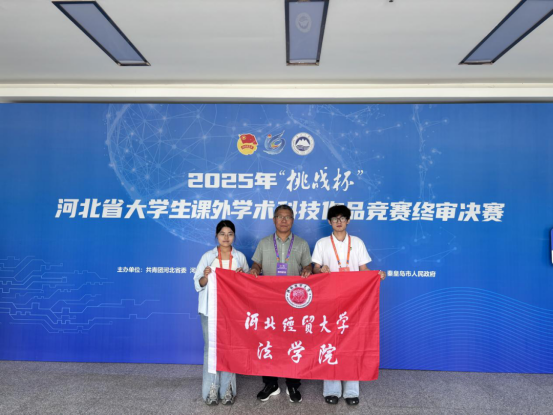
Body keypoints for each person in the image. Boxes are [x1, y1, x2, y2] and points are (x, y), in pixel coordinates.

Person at [312, 205, 386, 406]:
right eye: (335, 218)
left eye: (342, 218)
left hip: (354, 301)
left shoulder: (357, 243)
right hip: (328, 300)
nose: (339, 221)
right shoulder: (322, 243)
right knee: (329, 342)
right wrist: (320, 269)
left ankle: (352, 391)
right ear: (329, 222)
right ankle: (332, 390)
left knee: (353, 343)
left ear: (348, 221)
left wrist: (376, 275)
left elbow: (363, 269)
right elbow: (315, 267)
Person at [249, 204, 312, 403]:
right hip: (269, 301)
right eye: (280, 216)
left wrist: (308, 270)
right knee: (268, 341)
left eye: (287, 217)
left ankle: (293, 384)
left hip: (294, 302)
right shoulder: (264, 243)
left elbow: (308, 265)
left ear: (293, 220)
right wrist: (255, 269)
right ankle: (270, 383)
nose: (284, 220)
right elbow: (256, 263)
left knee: (294, 342)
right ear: (274, 219)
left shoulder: (301, 243)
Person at [193, 220, 250, 406]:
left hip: (232, 311)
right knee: (211, 349)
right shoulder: (208, 257)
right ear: (216, 236)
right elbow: (198, 283)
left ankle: (227, 390)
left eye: (230, 234)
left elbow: (248, 284)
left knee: (230, 349)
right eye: (222, 234)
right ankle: (211, 389)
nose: (226, 237)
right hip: (210, 311)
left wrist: (242, 276)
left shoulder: (239, 257)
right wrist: (206, 276)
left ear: (234, 236)